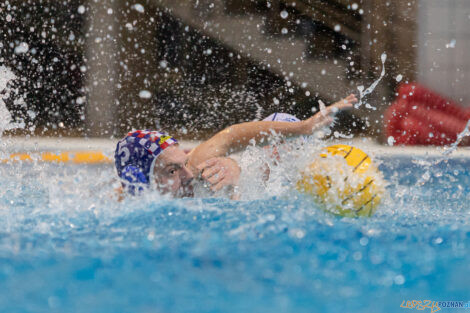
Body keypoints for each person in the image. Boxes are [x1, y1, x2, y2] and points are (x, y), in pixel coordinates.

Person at [115, 94, 357, 199]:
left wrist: (236, 168)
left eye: (184, 162)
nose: (188, 174)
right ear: (142, 182)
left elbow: (229, 139)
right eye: (172, 171)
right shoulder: (124, 205)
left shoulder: (198, 171)